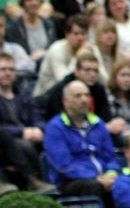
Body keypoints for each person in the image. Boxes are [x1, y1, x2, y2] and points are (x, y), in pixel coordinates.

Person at [44, 80, 121, 204]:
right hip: (70, 182)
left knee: (125, 183)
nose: (84, 100)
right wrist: (95, 177)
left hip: (102, 178)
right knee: (95, 186)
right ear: (66, 101)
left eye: (87, 95)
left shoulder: (98, 123)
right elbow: (64, 166)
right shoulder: (55, 127)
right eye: (78, 96)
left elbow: (110, 156)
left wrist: (111, 174)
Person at [0, 53, 54, 192]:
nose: (8, 73)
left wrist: (38, 129)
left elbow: (38, 117)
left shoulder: (24, 93)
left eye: (11, 70)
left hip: (29, 136)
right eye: (3, 69)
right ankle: (32, 180)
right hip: (6, 142)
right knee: (25, 146)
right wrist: (22, 131)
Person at [34, 14, 89, 95]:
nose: (80, 38)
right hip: (46, 97)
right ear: (67, 34)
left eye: (83, 34)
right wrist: (78, 57)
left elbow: (103, 79)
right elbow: (64, 82)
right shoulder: (56, 50)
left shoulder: (89, 48)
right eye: (76, 34)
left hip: (74, 96)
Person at [6, 0, 57, 65]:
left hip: (47, 63)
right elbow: (14, 50)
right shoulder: (14, 26)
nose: (34, 3)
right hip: (25, 66)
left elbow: (53, 46)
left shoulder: (48, 24)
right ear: (22, 3)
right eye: (29, 0)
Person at [106, 60, 130, 134]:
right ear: (114, 77)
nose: (127, 80)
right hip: (116, 135)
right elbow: (112, 123)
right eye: (123, 75)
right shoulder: (108, 96)